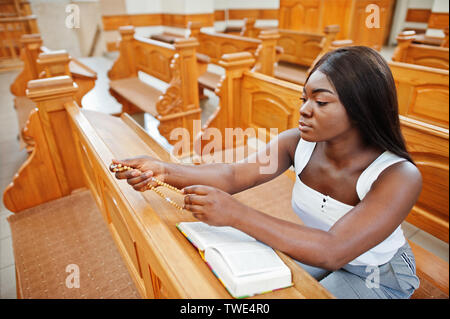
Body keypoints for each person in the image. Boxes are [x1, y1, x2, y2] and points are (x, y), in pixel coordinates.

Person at [111, 46, 421, 299]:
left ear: (362, 108)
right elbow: (233, 176)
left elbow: (333, 250)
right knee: (246, 291)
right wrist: (163, 170)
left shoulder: (398, 176)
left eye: (321, 100)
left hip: (379, 274)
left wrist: (236, 215)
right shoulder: (296, 144)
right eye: (305, 98)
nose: (304, 109)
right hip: (318, 249)